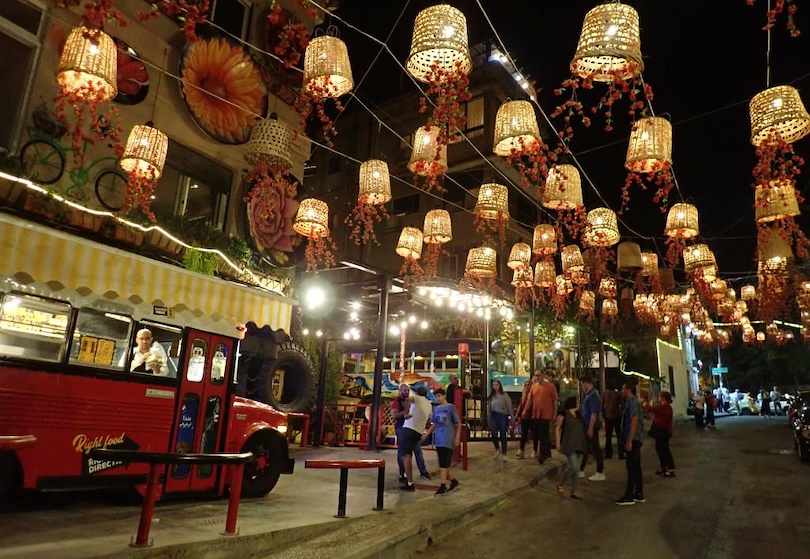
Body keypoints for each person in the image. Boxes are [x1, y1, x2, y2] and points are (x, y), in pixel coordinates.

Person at [422, 388, 461, 496]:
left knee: (444, 463)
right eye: (436, 396)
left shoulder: (450, 408)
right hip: (438, 438)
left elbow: (458, 423)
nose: (438, 398)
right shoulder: (436, 409)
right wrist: (427, 434)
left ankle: (443, 485)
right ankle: (453, 481)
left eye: (439, 396)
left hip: (447, 438)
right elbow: (434, 424)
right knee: (444, 463)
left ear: (444, 396)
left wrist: (457, 437)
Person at [391, 384, 430, 485]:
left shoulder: (415, 400)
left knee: (416, 451)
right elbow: (394, 415)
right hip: (402, 427)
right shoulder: (398, 401)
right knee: (403, 452)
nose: (406, 392)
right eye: (404, 390)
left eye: (408, 390)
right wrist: (405, 413)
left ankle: (420, 473)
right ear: (400, 390)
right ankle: (402, 473)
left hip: (410, 428)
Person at [615, 382, 644, 506]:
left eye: (623, 389)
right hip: (634, 438)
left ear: (628, 389)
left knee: (631, 466)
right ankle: (638, 492)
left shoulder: (632, 403)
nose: (622, 391)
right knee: (636, 466)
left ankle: (629, 495)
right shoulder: (631, 402)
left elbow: (634, 420)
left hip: (633, 438)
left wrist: (630, 440)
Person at [399, 385, 433, 492]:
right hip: (418, 432)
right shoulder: (429, 404)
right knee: (415, 453)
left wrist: (405, 413)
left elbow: (409, 399)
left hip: (409, 429)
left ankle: (409, 483)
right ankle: (413, 474)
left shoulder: (416, 398)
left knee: (406, 455)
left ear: (417, 393)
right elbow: (429, 419)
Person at [521, 370, 558, 464]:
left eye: (539, 375)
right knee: (538, 434)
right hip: (536, 414)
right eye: (536, 375)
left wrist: (554, 414)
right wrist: (525, 411)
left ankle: (544, 455)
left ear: (543, 376)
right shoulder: (534, 387)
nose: (537, 377)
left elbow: (555, 401)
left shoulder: (550, 386)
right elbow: (530, 400)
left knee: (543, 434)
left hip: (546, 414)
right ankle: (545, 454)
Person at [556, 396, 587, 500]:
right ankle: (561, 484)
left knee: (577, 469)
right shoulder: (564, 414)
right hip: (569, 443)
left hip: (580, 443)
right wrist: (557, 442)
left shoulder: (579, 415)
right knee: (573, 467)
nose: (579, 404)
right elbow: (557, 428)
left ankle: (574, 491)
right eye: (577, 402)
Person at [644, 391, 676, 477]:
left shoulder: (664, 406)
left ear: (663, 398)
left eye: (660, 396)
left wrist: (644, 403)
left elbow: (651, 409)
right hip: (664, 430)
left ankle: (670, 468)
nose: (658, 397)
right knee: (661, 449)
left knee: (663, 450)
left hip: (663, 431)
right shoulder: (666, 407)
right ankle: (664, 468)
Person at [579, 376, 605, 481]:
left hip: (591, 426)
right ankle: (581, 470)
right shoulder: (590, 395)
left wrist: (590, 427)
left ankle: (600, 471)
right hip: (588, 425)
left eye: (582, 384)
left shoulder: (593, 395)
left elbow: (594, 413)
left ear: (586, 383)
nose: (582, 387)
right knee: (586, 447)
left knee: (595, 448)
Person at [488, 379, 512, 461]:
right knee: (494, 434)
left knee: (503, 435)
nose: (495, 387)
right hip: (494, 415)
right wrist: (488, 418)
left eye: (497, 385)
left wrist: (512, 418)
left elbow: (509, 407)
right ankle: (497, 448)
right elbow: (489, 408)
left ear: (499, 385)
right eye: (493, 385)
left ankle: (504, 453)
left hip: (502, 415)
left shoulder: (504, 395)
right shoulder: (492, 396)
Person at [603, 381, 625, 459]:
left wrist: (604, 415)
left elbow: (602, 405)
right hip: (616, 416)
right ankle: (621, 453)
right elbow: (621, 406)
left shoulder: (605, 393)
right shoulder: (618, 394)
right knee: (619, 436)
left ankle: (608, 454)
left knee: (608, 437)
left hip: (608, 417)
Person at [515, 378, 536, 458]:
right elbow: (521, 405)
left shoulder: (533, 395)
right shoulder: (523, 395)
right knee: (524, 433)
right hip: (525, 416)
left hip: (532, 416)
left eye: (529, 385)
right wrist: (517, 414)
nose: (527, 386)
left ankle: (535, 450)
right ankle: (521, 450)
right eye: (526, 385)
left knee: (534, 434)